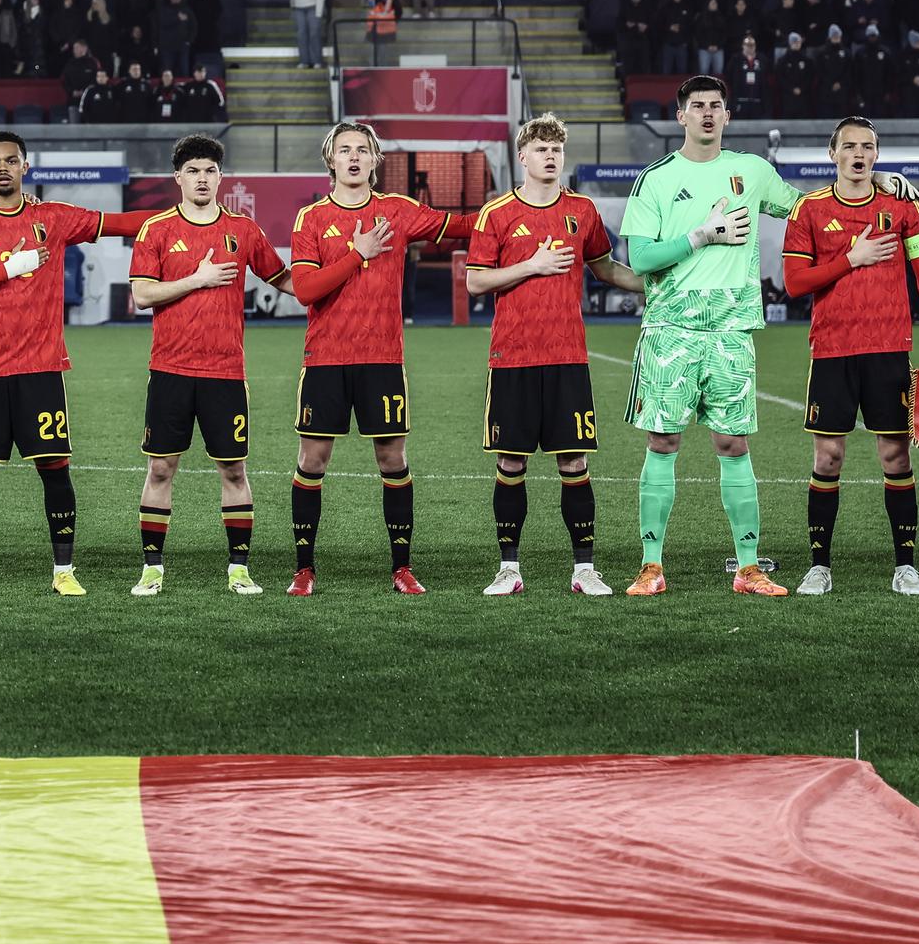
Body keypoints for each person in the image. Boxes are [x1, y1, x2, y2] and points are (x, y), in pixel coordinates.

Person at [618, 76, 919, 598]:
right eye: (697, 107)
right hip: (671, 329)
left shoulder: (752, 171)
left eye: (716, 106)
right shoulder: (656, 179)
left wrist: (877, 179)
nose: (708, 114)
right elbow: (640, 259)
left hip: (733, 330)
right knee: (663, 441)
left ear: (727, 116)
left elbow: (812, 207)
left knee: (734, 445)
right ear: (681, 117)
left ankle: (748, 568)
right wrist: (701, 235)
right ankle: (650, 566)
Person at [0, 131, 157, 597]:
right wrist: (10, 268)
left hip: (41, 369)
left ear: (26, 167)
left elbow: (124, 223)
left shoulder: (54, 217)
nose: (3, 168)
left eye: (12, 160)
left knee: (54, 468)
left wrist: (185, 216)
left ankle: (63, 571)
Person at [283, 121, 474, 595]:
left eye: (362, 151)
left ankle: (402, 568)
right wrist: (356, 253)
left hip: (382, 359)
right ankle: (304, 569)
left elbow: (467, 226)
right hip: (325, 359)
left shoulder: (398, 211)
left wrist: (524, 201)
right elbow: (305, 290)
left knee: (393, 459)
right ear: (330, 160)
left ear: (374, 161)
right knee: (313, 459)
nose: (353, 157)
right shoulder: (310, 219)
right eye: (344, 150)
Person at [464, 115, 643, 596]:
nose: (550, 156)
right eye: (541, 149)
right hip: (513, 358)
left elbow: (605, 267)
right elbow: (476, 281)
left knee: (574, 464)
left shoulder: (582, 210)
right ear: (523, 157)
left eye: (557, 150)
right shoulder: (495, 212)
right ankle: (509, 569)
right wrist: (533, 264)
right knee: (511, 465)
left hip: (567, 358)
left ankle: (584, 569)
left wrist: (658, 285)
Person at [782, 117, 919, 599]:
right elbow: (795, 283)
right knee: (829, 456)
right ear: (832, 153)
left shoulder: (901, 208)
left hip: (888, 350)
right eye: (850, 146)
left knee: (895, 455)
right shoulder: (808, 210)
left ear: (876, 156)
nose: (859, 154)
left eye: (869, 147)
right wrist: (850, 260)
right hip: (833, 350)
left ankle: (906, 567)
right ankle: (819, 567)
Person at [126, 135, 290, 596]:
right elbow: (142, 295)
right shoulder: (156, 229)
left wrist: (348, 272)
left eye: (210, 170)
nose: (202, 178)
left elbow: (286, 279)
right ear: (178, 177)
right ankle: (152, 569)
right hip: (171, 371)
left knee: (234, 471)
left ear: (221, 177)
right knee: (160, 470)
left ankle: (239, 569)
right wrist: (196, 278)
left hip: (225, 373)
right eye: (193, 171)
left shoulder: (244, 229)